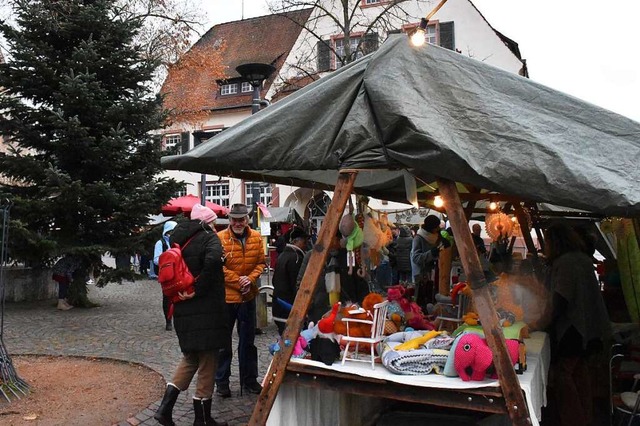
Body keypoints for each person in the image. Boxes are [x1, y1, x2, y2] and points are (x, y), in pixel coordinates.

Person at [154, 204, 229, 426]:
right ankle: (202, 419)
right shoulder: (209, 238)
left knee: (190, 359)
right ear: (207, 222)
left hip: (183, 308)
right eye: (214, 221)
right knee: (208, 361)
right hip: (206, 310)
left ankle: (164, 409)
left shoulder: (178, 239)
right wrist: (198, 287)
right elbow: (213, 261)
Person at [544, 221, 611, 426]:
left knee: (564, 376)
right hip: (590, 325)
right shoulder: (581, 259)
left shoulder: (566, 263)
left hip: (574, 328)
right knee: (581, 373)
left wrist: (543, 322)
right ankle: (586, 418)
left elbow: (561, 299)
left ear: (555, 242)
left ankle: (574, 420)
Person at [215, 203, 265, 397]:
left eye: (241, 219)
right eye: (234, 219)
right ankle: (222, 382)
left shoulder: (256, 237)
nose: (238, 223)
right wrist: (238, 281)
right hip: (227, 298)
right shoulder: (220, 239)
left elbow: (261, 263)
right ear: (229, 220)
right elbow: (219, 267)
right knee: (223, 343)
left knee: (248, 342)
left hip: (248, 297)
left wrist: (250, 279)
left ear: (247, 219)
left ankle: (249, 379)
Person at [272, 227, 309, 335]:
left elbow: (275, 281)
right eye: (304, 241)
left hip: (279, 306)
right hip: (289, 307)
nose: (306, 244)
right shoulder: (296, 258)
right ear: (295, 241)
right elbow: (297, 285)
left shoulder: (283, 255)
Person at [411, 215, 447, 308]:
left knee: (433, 299)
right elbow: (416, 258)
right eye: (436, 227)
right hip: (422, 275)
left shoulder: (437, 236)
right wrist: (432, 253)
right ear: (431, 227)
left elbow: (441, 248)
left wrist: (445, 244)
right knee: (422, 301)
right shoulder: (418, 238)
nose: (438, 228)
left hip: (434, 273)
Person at [154, 220, 177, 331]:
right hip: (166, 274)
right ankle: (168, 320)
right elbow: (156, 260)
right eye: (171, 231)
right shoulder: (161, 243)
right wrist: (168, 259)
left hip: (177, 273)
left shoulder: (178, 242)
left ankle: (177, 319)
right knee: (167, 297)